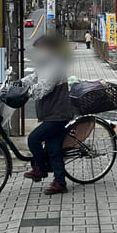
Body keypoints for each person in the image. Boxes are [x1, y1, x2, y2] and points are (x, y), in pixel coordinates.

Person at [22, 32, 73, 195]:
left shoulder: (54, 65)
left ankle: (40, 168)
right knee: (54, 149)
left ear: (49, 48)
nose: (38, 52)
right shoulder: (46, 63)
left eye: (40, 48)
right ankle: (60, 183)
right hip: (52, 113)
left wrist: (27, 92)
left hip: (58, 114)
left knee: (34, 139)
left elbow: (45, 86)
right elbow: (34, 77)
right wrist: (18, 83)